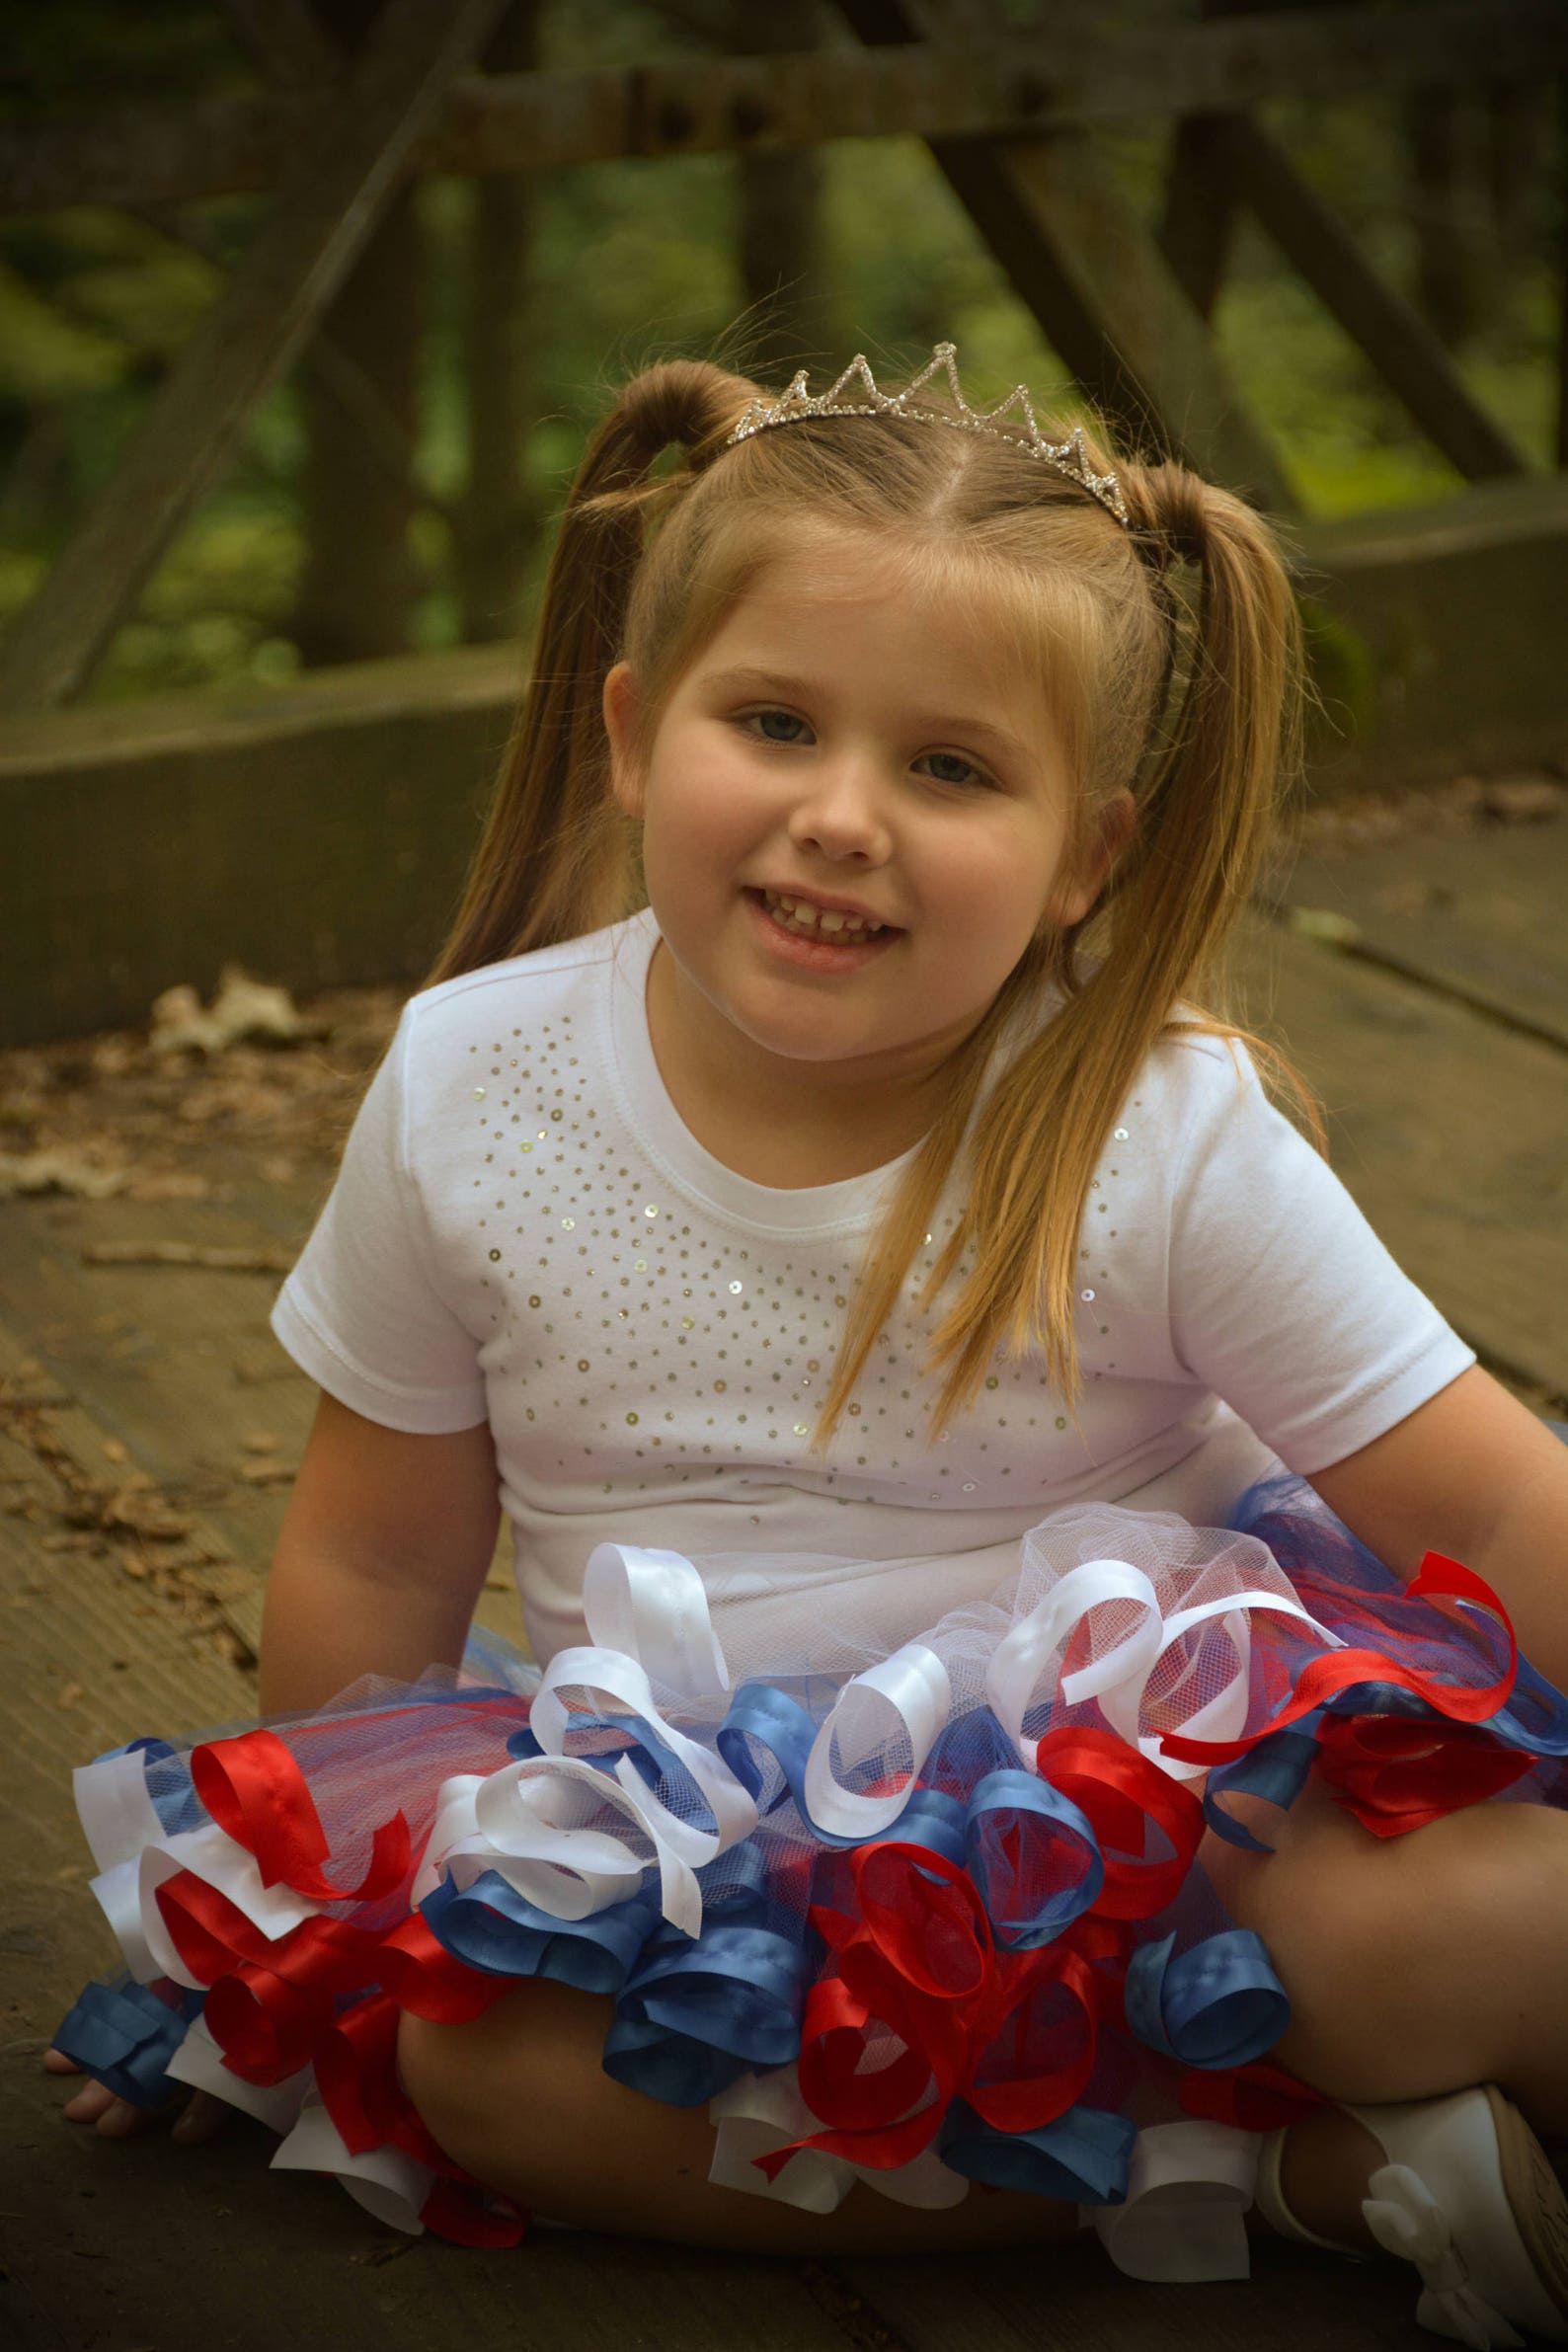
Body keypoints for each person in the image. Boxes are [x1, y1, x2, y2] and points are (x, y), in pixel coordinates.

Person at [48, 345, 1568, 2340]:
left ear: (1083, 854)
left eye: (949, 770)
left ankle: (1339, 2061)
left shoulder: (1150, 1128)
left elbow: (1485, 1493)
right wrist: (275, 1948)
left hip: (1174, 1823)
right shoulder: (471, 1088)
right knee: (477, 2070)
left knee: (1438, 1934)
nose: (840, 818)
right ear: (628, 730)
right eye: (771, 722)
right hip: (713, 1865)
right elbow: (376, 1555)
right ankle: (1295, 2173)